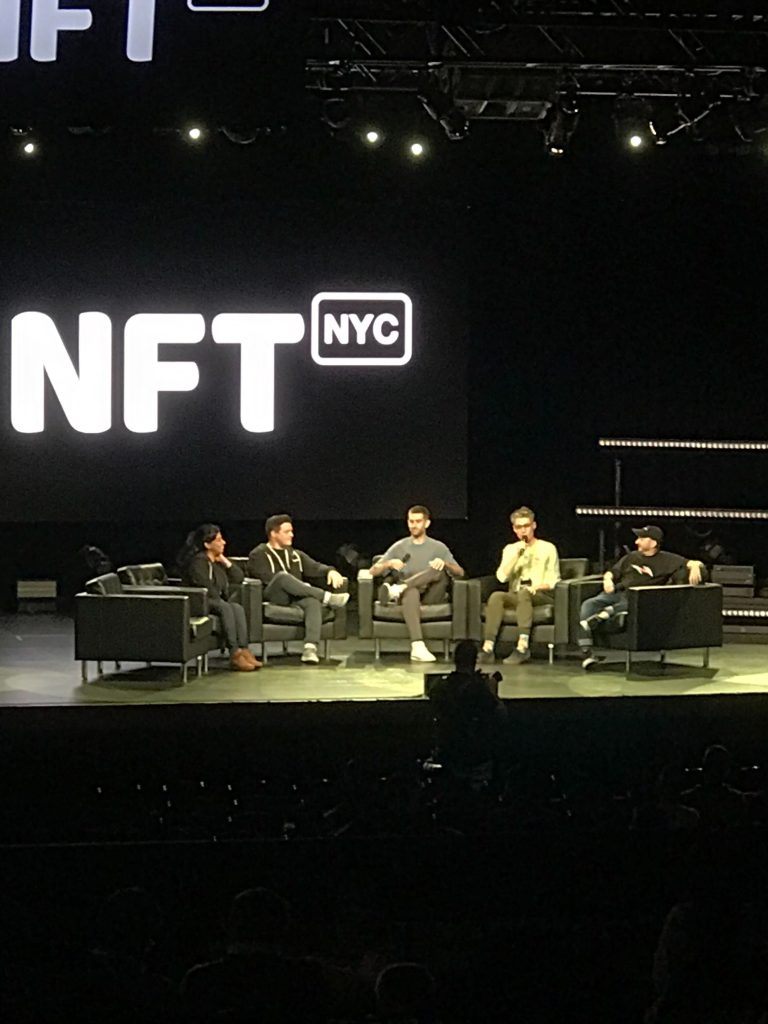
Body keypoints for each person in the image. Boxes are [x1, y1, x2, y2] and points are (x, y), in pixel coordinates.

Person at [578, 525, 704, 669]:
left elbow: (692, 562)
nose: (637, 542)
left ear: (653, 543)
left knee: (632, 600)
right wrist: (608, 580)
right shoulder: (631, 557)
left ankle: (603, 616)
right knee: (589, 604)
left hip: (641, 598)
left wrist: (694, 566)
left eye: (641, 538)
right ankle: (587, 650)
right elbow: (612, 571)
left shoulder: (667, 559)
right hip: (618, 593)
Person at [247, 514, 349, 664]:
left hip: (295, 598)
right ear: (274, 533)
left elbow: (315, 566)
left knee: (312, 601)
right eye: (287, 532)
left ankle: (310, 648)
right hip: (274, 596)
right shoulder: (258, 554)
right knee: (283, 577)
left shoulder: (295, 554)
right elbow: (268, 580)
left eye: (292, 531)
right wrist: (299, 586)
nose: (292, 535)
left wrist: (330, 571)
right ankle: (326, 597)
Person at [370, 505, 465, 663]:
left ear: (427, 523)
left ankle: (399, 588)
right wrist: (388, 564)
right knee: (411, 592)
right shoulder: (400, 546)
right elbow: (373, 571)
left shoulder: (438, 547)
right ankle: (418, 646)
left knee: (437, 570)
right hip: (409, 598)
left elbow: (460, 572)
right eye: (411, 521)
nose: (414, 525)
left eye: (418, 521)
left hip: (431, 595)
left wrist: (445, 563)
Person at [479, 506, 560, 664]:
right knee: (497, 596)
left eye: (526, 526)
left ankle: (522, 647)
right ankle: (487, 648)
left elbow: (554, 580)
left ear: (534, 526)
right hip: (516, 594)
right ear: (514, 529)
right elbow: (501, 577)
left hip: (541, 595)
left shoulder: (548, 548)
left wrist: (536, 587)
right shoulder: (510, 549)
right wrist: (516, 556)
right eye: (519, 527)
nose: (524, 531)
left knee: (525, 593)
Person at [178, 523, 260, 672]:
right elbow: (206, 589)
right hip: (198, 602)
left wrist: (224, 560)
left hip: (214, 601)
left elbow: (239, 577)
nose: (224, 542)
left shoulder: (216, 562)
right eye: (219, 540)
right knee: (226, 606)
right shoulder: (198, 562)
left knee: (237, 607)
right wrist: (221, 600)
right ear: (207, 544)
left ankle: (244, 650)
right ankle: (234, 653)